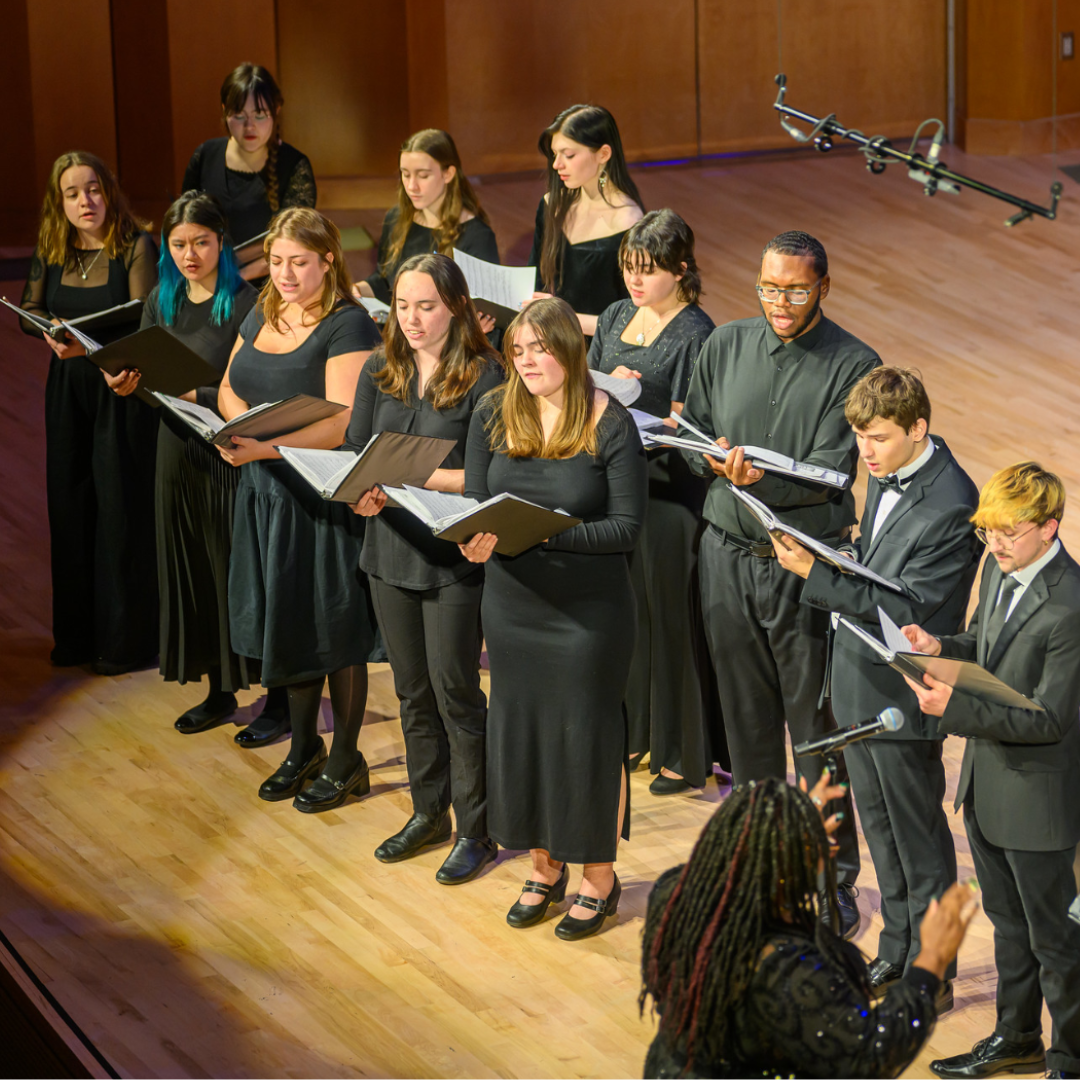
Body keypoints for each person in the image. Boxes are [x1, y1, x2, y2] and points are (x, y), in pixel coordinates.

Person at [679, 230, 881, 938]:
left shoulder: (854, 364)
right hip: (726, 557)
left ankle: (833, 882)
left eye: (794, 289)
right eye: (769, 287)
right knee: (747, 730)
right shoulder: (726, 344)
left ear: (823, 287)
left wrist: (760, 476)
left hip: (802, 564)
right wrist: (706, 455)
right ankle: (760, 875)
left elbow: (832, 469)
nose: (780, 302)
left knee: (816, 733)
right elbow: (695, 424)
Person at [770, 367, 980, 1012]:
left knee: (918, 836)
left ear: (919, 428)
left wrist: (816, 573)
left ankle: (934, 970)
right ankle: (896, 947)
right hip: (861, 674)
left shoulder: (951, 502)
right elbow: (881, 565)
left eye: (879, 438)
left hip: (906, 686)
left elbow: (911, 603)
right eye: (859, 436)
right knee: (881, 831)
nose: (865, 450)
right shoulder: (887, 467)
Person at [461, 296, 647, 940]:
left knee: (585, 739)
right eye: (517, 350)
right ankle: (545, 867)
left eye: (539, 348)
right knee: (524, 734)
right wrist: (475, 538)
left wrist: (543, 535)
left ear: (570, 349)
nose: (527, 360)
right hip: (513, 607)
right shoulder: (492, 410)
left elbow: (625, 528)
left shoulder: (609, 422)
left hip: (587, 616)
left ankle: (599, 876)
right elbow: (478, 502)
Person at [902, 462, 1080, 1080]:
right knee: (1008, 928)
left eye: (1009, 531)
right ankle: (1017, 1038)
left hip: (1040, 801)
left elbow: (1048, 720)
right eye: (989, 532)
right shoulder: (999, 571)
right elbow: (983, 646)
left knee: (1056, 943)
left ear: (1049, 527)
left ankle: (1071, 1060)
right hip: (988, 788)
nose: (996, 543)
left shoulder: (1071, 607)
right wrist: (937, 648)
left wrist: (957, 709)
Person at [640, 775, 977, 1079]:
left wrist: (793, 815)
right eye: (816, 846)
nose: (831, 847)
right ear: (787, 867)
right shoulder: (789, 968)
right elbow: (870, 1055)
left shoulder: (674, 895)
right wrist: (930, 961)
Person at [218, 207, 382, 811]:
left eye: (299, 263)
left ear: (328, 261)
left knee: (332, 626)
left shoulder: (349, 324)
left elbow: (341, 422)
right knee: (285, 617)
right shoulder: (264, 308)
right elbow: (230, 380)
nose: (284, 274)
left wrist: (263, 445)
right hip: (263, 491)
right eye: (278, 261)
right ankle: (305, 744)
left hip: (315, 493)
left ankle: (346, 759)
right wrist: (239, 421)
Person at [347, 253, 504, 883]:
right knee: (411, 692)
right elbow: (359, 449)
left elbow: (485, 477)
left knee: (456, 693)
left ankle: (477, 828)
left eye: (427, 307)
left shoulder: (486, 377)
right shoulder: (379, 369)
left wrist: (406, 473)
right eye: (403, 306)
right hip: (388, 550)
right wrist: (363, 487)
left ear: (456, 307)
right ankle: (428, 811)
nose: (412, 319)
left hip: (451, 556)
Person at [106, 192, 266, 734]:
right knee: (193, 566)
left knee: (232, 569)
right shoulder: (161, 299)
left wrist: (197, 392)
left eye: (200, 242)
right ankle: (219, 690)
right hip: (175, 448)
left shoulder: (246, 303)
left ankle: (276, 693)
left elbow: (249, 387)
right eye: (178, 244)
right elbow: (147, 370)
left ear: (221, 243)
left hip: (227, 451)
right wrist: (125, 380)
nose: (189, 254)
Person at [587, 209, 719, 795]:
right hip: (619, 481)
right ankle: (638, 733)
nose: (635, 281)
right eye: (628, 268)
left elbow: (696, 421)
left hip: (669, 490)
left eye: (648, 271)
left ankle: (680, 751)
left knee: (670, 621)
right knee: (630, 613)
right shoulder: (615, 314)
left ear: (681, 270)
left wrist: (651, 408)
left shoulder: (696, 332)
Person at [19, 150, 158, 674]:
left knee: (119, 509)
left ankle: (125, 641)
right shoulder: (52, 248)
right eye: (73, 193)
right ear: (61, 202)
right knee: (71, 504)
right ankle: (76, 637)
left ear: (109, 191)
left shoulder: (134, 245)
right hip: (68, 389)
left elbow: (143, 315)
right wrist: (48, 332)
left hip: (117, 385)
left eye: (93, 189)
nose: (86, 201)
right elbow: (28, 309)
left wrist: (96, 353)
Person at [183, 63, 316, 283]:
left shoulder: (295, 166)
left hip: (270, 285)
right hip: (206, 277)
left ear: (276, 111)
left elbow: (293, 244)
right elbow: (184, 226)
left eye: (260, 115)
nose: (250, 126)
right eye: (239, 115)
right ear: (225, 110)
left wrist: (233, 278)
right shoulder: (204, 155)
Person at [528, 104, 644, 338]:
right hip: (552, 337)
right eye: (554, 154)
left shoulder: (629, 221)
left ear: (603, 154)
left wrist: (564, 318)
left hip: (600, 348)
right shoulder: (552, 204)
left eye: (569, 155)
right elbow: (535, 280)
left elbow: (636, 318)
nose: (556, 164)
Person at [355, 130, 500, 307]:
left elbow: (483, 309)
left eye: (423, 176)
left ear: (448, 174)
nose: (411, 186)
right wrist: (357, 290)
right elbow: (385, 283)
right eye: (405, 174)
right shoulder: (395, 218)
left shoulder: (477, 236)